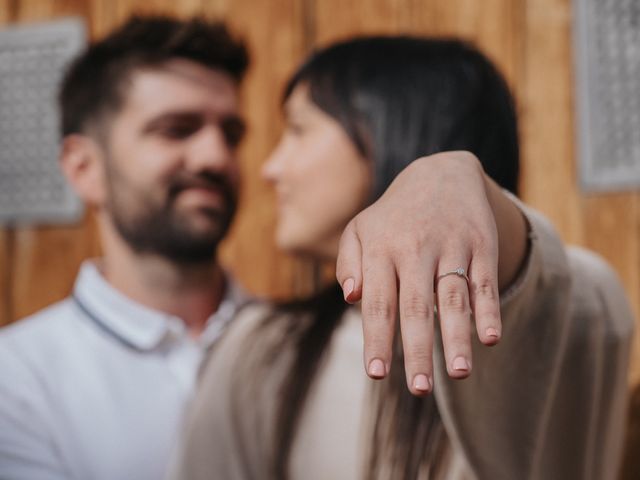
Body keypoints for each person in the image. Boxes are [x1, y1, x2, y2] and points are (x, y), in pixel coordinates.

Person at [170, 37, 635, 479]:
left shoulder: (586, 303)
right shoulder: (263, 347)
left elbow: (547, 286)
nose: (270, 169)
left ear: (386, 131)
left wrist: (454, 178)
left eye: (297, 129)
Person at [0, 16, 251, 480]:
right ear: (84, 169)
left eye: (231, 134)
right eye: (177, 129)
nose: (216, 157)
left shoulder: (295, 342)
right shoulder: (15, 379)